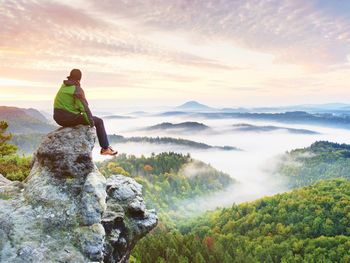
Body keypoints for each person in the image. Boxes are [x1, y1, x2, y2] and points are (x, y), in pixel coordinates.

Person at [53, 69, 118, 156]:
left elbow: (69, 104)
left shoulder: (63, 86)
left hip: (58, 118)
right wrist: (91, 123)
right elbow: (84, 108)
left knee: (84, 117)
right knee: (99, 121)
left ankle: (105, 148)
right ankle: (105, 148)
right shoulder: (77, 89)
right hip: (69, 118)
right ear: (79, 79)